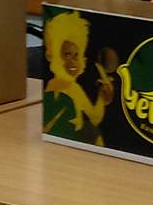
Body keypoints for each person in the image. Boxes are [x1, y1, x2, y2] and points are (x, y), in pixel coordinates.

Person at [41, 11, 111, 142]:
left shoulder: (75, 88)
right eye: (67, 55)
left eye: (76, 55)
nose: (73, 62)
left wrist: (102, 97)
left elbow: (95, 118)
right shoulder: (55, 86)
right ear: (54, 54)